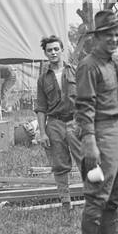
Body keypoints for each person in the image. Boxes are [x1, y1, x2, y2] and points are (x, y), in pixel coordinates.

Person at [74, 10, 118, 234]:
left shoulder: (114, 63)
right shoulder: (89, 65)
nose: (114, 39)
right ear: (97, 37)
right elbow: (84, 107)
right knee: (97, 199)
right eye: (109, 35)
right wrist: (90, 143)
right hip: (102, 133)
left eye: (117, 35)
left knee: (113, 200)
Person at [35, 34, 81, 209]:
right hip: (54, 125)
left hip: (75, 122)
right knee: (60, 165)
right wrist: (42, 132)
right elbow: (41, 107)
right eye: (49, 50)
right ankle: (65, 203)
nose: (53, 53)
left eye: (56, 49)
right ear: (45, 54)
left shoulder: (76, 71)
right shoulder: (42, 79)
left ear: (62, 50)